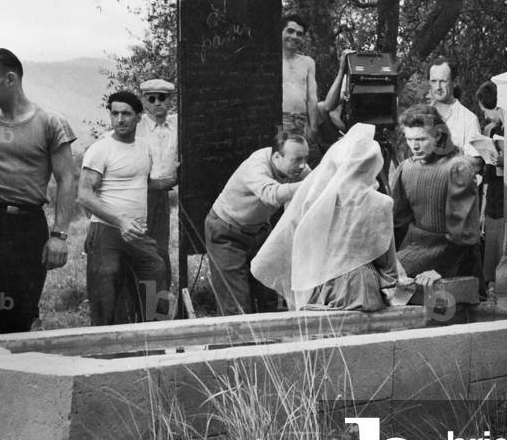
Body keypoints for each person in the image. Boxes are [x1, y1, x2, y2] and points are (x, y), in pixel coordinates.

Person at [0, 48, 77, 334]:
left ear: (10, 79)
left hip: (26, 228)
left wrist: (59, 236)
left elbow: (67, 179)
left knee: (16, 317)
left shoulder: (50, 123)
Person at [251, 125, 397, 310]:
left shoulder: (319, 199)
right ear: (374, 164)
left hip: (318, 284)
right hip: (360, 287)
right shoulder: (381, 203)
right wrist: (390, 291)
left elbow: (300, 243)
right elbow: (388, 265)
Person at [78, 91, 170, 325]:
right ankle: (106, 353)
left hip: (137, 232)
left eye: (126, 114)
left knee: (156, 274)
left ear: (139, 117)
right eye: (115, 113)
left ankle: (154, 343)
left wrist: (175, 179)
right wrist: (120, 221)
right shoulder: (100, 149)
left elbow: (143, 183)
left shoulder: (144, 147)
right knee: (106, 296)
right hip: (107, 232)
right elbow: (85, 195)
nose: (120, 119)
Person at [205, 131, 310, 315]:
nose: (303, 165)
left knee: (273, 295)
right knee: (236, 307)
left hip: (259, 231)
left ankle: (274, 342)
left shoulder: (294, 165)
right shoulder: (256, 166)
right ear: (277, 156)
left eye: (305, 159)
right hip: (227, 233)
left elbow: (312, 185)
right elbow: (271, 194)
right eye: (297, 160)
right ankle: (239, 344)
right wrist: (312, 184)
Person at [392, 105, 481, 286]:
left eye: (421, 139)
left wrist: (440, 270)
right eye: (409, 139)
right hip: (415, 249)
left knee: (384, 279)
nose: (414, 146)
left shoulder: (457, 169)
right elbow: (398, 224)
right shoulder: (406, 168)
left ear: (438, 135)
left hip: (450, 256)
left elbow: (465, 236)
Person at [137, 77, 178, 287]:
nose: (156, 103)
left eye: (161, 98)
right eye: (151, 98)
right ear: (143, 101)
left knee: (160, 249)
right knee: (138, 247)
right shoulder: (137, 126)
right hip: (137, 195)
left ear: (170, 99)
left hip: (161, 198)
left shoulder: (178, 124)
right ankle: (139, 305)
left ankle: (159, 304)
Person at [426, 57, 483, 174]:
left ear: (454, 82)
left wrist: (445, 165)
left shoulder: (469, 119)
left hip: (456, 188)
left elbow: (476, 163)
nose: (438, 87)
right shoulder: (422, 116)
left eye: (443, 81)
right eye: (433, 81)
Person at [475, 80, 505, 293]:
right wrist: (482, 211)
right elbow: (487, 175)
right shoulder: (490, 129)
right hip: (493, 193)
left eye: (486, 110)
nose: (485, 116)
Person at [281, 14, 317, 137]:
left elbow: (312, 97)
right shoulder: (270, 60)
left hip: (302, 121)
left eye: (299, 34)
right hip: (279, 121)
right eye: (290, 31)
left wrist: (313, 126)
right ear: (281, 32)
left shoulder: (308, 62)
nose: (294, 36)